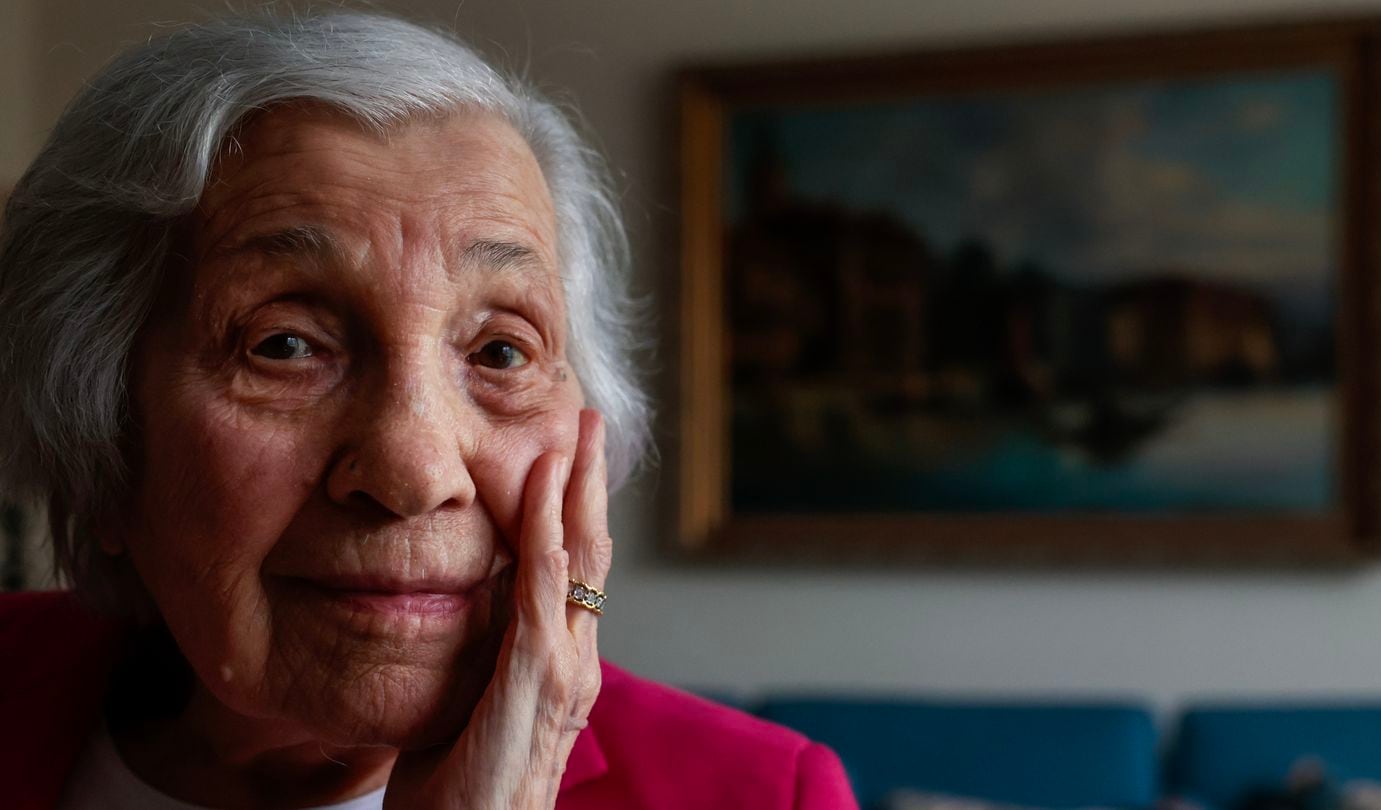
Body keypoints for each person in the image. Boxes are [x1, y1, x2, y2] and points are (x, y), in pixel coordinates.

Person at [0, 10, 857, 809]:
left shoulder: (762, 795)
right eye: (286, 344)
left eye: (499, 352)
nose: (415, 472)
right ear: (103, 437)